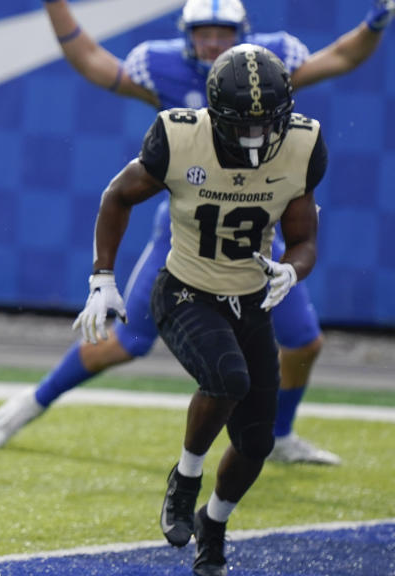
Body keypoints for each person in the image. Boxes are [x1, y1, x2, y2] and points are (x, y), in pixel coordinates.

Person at [0, 0, 395, 463]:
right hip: (189, 234)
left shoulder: (266, 72)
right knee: (128, 341)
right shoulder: (167, 74)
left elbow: (339, 58)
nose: (216, 43)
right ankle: (32, 401)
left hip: (257, 235)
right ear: (187, 37)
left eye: (224, 33)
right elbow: (90, 60)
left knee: (305, 343)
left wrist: (373, 25)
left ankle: (280, 437)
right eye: (205, 33)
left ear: (244, 37)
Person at [75, 43, 326, 576]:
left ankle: (214, 525)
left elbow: (304, 237)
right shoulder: (180, 135)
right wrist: (102, 278)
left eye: (268, 123)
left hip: (250, 298)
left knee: (257, 441)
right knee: (227, 378)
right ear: (214, 113)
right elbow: (117, 196)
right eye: (244, 125)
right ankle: (185, 478)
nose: (257, 137)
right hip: (186, 289)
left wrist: (292, 270)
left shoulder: (304, 144)